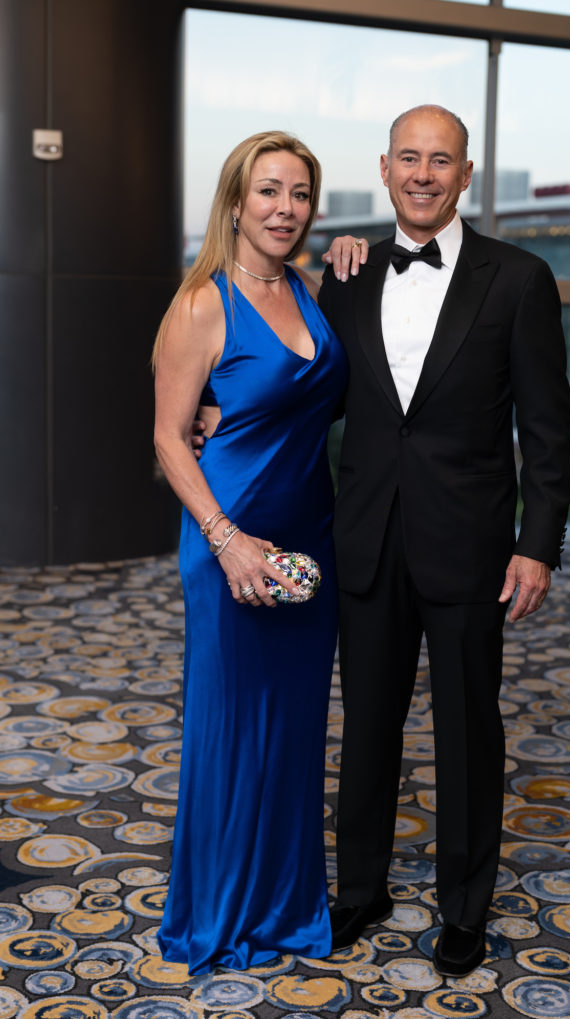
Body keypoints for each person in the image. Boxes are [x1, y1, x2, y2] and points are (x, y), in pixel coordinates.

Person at [319, 105, 570, 978]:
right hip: (367, 538)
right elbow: (310, 391)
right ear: (384, 171)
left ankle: (464, 906)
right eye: (408, 160)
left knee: (468, 732)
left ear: (467, 176)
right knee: (368, 730)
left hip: (470, 546)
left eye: (442, 161)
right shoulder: (344, 273)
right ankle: (361, 890)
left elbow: (547, 429)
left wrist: (537, 544)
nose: (423, 175)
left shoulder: (519, 278)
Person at [152, 130, 349, 973]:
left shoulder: (307, 287)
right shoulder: (203, 301)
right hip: (228, 541)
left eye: (300, 195)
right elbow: (167, 437)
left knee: (296, 733)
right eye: (268, 191)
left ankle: (282, 910)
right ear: (235, 200)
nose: (285, 209)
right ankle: (219, 916)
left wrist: (358, 251)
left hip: (308, 541)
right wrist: (226, 540)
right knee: (232, 734)